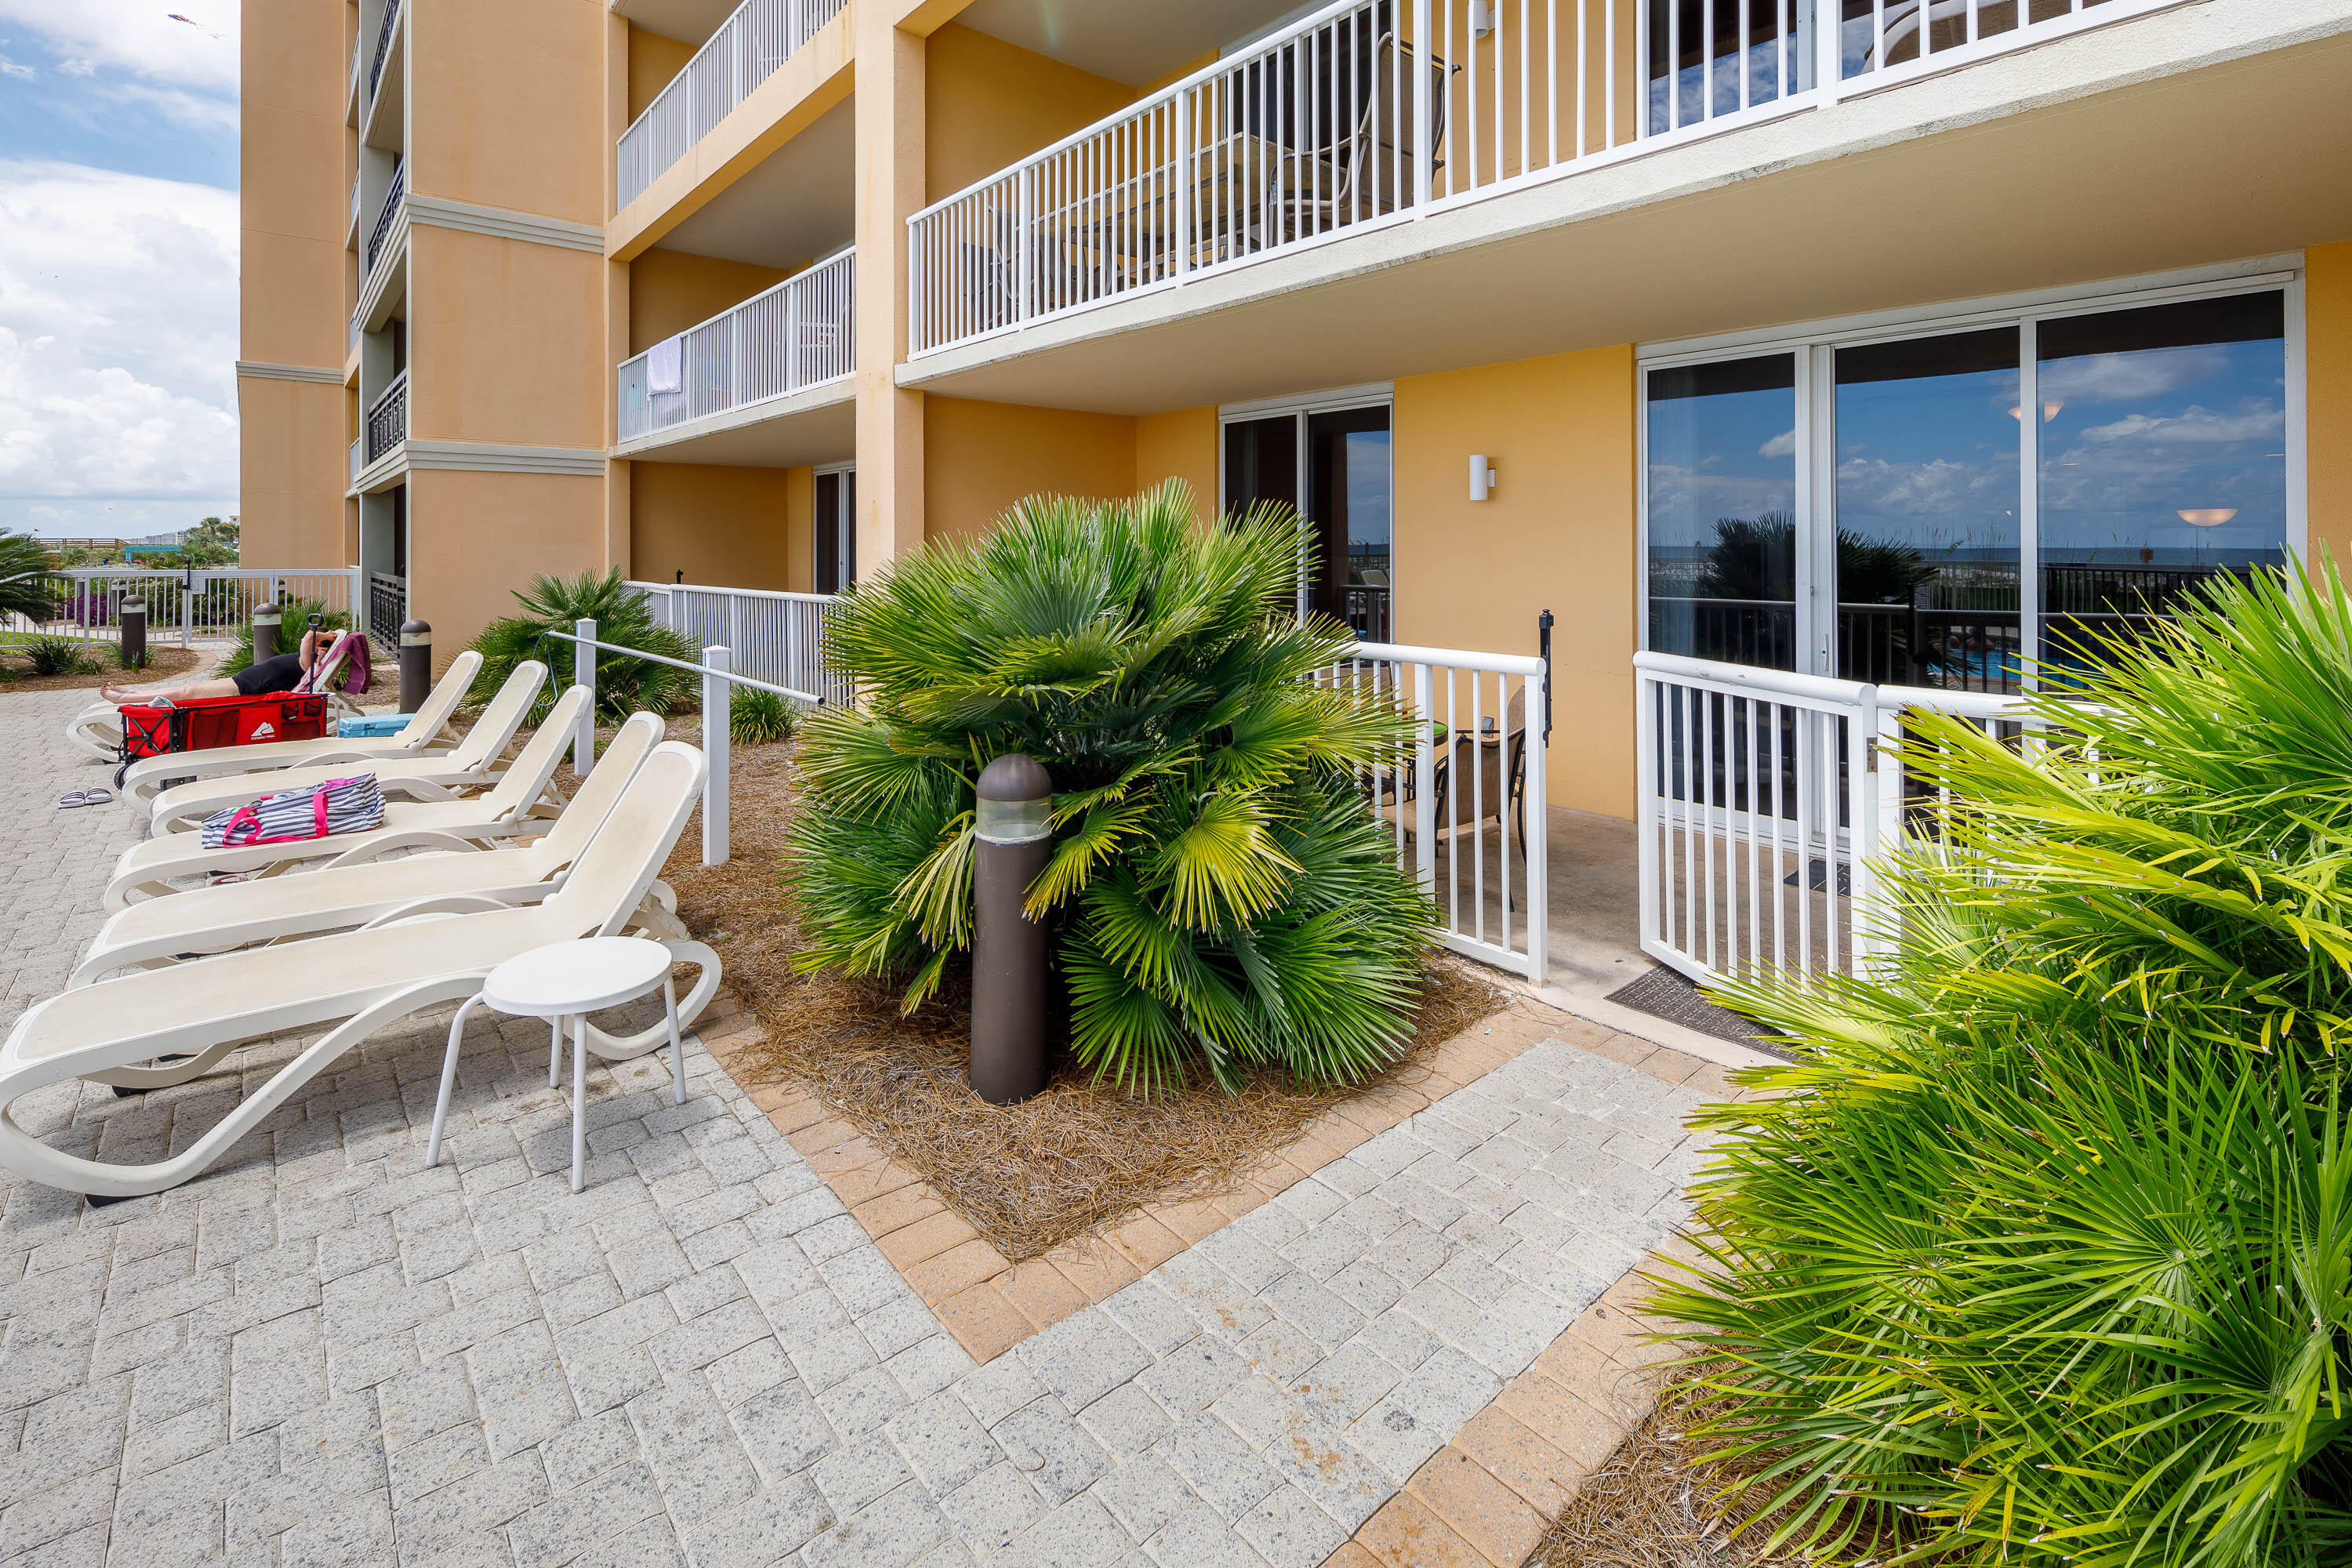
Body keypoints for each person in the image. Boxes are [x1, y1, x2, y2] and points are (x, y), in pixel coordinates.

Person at [100, 626, 328, 706]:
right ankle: (136, 693)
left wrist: (328, 634)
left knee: (187, 693)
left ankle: (125, 698)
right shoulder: (311, 660)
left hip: (250, 687)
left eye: (326, 648)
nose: (322, 649)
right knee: (190, 689)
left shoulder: (309, 664)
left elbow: (308, 636)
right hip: (247, 681)